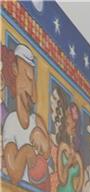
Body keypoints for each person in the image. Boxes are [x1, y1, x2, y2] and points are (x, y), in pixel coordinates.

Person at [2, 44, 48, 184]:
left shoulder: (37, 120)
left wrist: (43, 139)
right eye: (28, 77)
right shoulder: (11, 122)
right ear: (15, 70)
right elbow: (14, 174)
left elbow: (46, 154)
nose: (32, 90)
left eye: (33, 80)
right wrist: (27, 150)